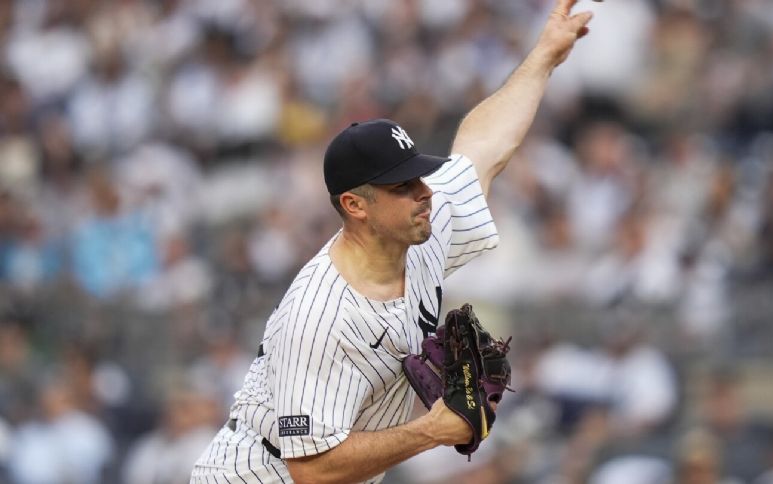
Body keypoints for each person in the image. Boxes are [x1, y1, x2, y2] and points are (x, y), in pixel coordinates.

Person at [191, 1, 594, 482]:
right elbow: (311, 470)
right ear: (355, 206)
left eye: (418, 177)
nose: (424, 193)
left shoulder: (415, 227)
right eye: (402, 186)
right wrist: (431, 431)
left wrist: (545, 55)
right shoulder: (320, 316)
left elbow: (483, 150)